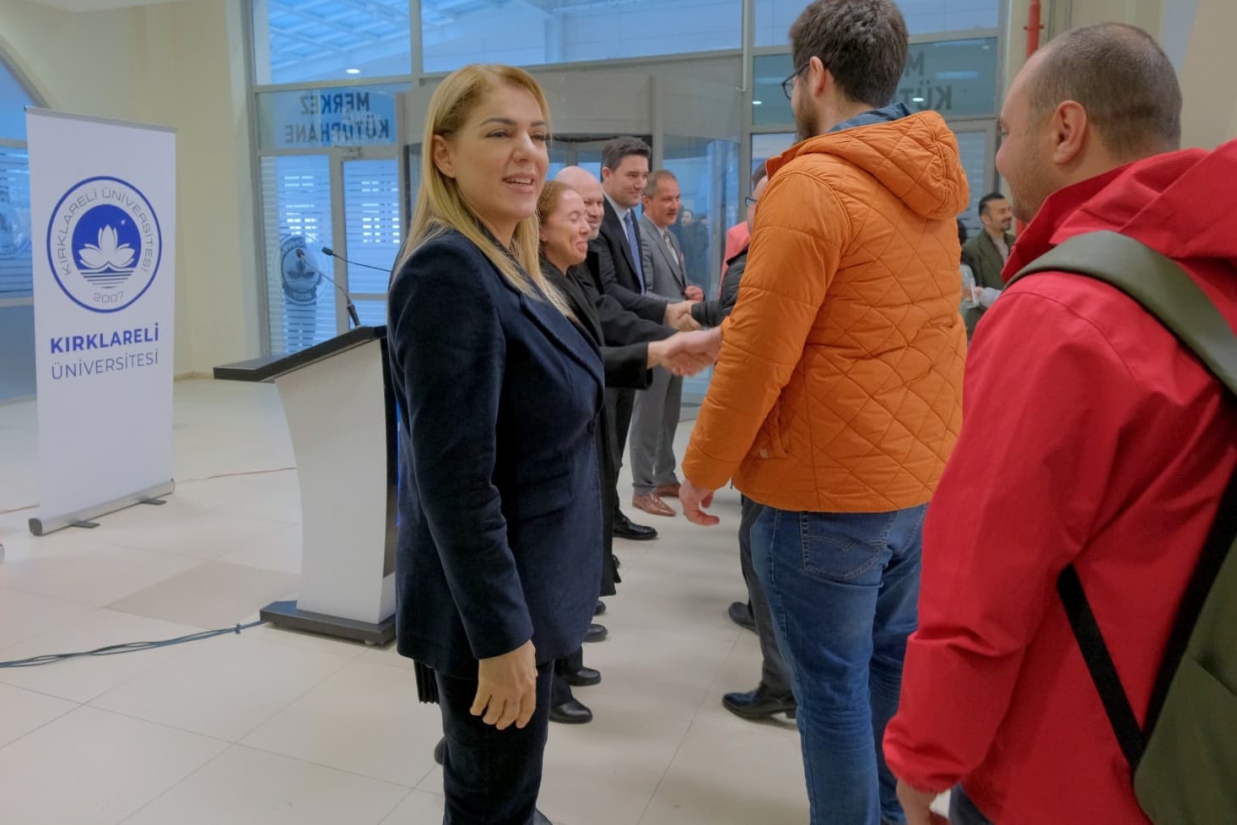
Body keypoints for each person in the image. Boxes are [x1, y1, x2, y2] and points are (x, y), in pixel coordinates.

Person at [884, 23, 1237, 825]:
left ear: (1066, 130)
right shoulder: (1212, 278)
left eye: (1007, 133)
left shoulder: (1061, 311)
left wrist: (923, 757)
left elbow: (982, 581)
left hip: (1061, 768)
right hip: (1193, 751)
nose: (1001, 160)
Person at [678, 1, 969, 823]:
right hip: (913, 489)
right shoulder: (929, 188)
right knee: (884, 671)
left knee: (831, 692)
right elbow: (880, 321)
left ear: (814, 75)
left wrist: (701, 468)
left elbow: (759, 356)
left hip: (825, 495)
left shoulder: (810, 181)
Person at [386, 64, 602, 825]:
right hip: (491, 612)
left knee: (507, 793)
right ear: (443, 153)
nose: (528, 152)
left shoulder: (509, 259)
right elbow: (453, 485)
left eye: (538, 135)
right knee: (490, 804)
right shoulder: (449, 272)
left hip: (529, 586)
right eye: (500, 132)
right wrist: (503, 637)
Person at [537, 180, 719, 724]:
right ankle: (551, 679)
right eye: (575, 216)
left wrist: (664, 340)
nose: (588, 224)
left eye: (591, 212)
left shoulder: (570, 275)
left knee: (578, 551)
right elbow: (581, 356)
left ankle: (567, 658)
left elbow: (607, 317)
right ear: (539, 228)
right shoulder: (538, 284)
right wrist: (661, 350)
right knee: (554, 563)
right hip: (557, 444)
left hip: (582, 432)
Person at [712, 166, 795, 723]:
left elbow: (744, 355)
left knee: (762, 546)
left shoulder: (765, 262)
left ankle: (780, 681)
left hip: (773, 437)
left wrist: (706, 464)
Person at [590, 136, 699, 543]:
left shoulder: (630, 219)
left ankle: (611, 515)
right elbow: (609, 293)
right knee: (612, 441)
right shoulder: (601, 222)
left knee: (619, 439)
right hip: (614, 345)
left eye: (643, 175)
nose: (639, 183)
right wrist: (666, 319)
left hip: (633, 342)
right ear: (607, 174)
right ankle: (608, 518)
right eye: (631, 175)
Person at [631, 170, 694, 518]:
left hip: (676, 340)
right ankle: (643, 488)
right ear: (647, 201)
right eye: (667, 199)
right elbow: (643, 294)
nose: (675, 205)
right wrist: (680, 306)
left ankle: (664, 476)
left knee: (669, 413)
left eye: (677, 198)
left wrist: (690, 293)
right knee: (648, 415)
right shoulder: (641, 237)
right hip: (655, 341)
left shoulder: (670, 237)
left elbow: (671, 288)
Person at [959, 192, 1015, 336]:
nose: (1009, 215)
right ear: (986, 219)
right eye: (1002, 212)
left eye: (1009, 210)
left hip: (1013, 321)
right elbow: (973, 294)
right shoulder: (971, 249)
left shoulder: (1017, 243)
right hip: (986, 325)